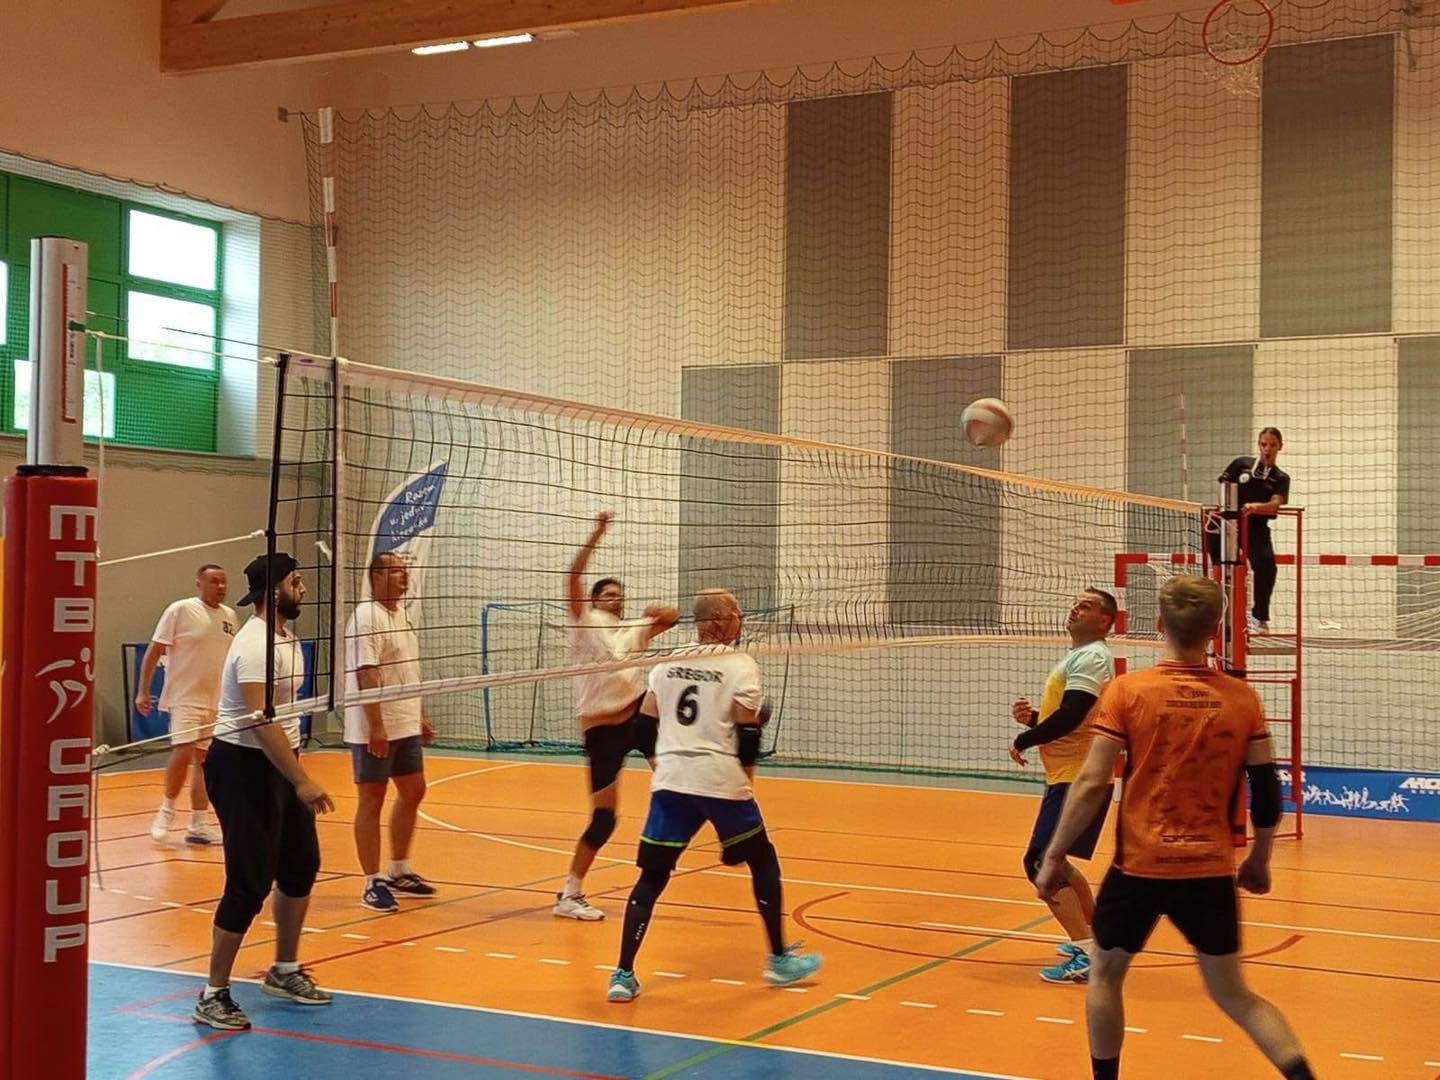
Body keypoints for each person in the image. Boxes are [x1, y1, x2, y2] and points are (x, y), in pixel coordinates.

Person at [1036, 575, 1315, 1080]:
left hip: (1139, 867)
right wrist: (1259, 858)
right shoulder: (1242, 699)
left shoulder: (1129, 691)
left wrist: (1054, 856)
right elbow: (1266, 789)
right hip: (1208, 871)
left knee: (1105, 975)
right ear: (1215, 628)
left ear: (1161, 624)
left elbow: (1094, 781)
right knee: (1234, 994)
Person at [606, 588, 820, 1002]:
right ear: (720, 619)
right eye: (737, 612)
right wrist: (746, 780)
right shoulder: (741, 664)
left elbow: (643, 729)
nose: (742, 618)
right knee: (762, 859)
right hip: (720, 780)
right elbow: (748, 732)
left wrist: (661, 766)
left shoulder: (667, 662)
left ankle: (622, 975)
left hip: (672, 782)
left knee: (652, 877)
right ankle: (779, 961)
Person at [193, 553, 335, 1032]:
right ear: (274, 591)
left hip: (279, 762)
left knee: (300, 866)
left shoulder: (287, 639)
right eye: (297, 582)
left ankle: (284, 970)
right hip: (241, 767)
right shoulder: (256, 645)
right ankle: (213, 993)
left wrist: (294, 771)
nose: (304, 589)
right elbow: (260, 721)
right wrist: (301, 780)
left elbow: (284, 721)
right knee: (249, 881)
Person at [555, 511, 679, 921]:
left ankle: (674, 832)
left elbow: (673, 617)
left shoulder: (631, 629)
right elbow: (573, 575)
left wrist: (660, 610)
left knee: (674, 781)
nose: (616, 599)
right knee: (604, 820)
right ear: (594, 600)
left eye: (619, 594)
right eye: (608, 594)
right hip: (602, 729)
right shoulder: (584, 622)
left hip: (637, 717)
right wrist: (597, 533)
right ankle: (570, 893)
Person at [1009, 588, 1118, 984]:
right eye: (1076, 603)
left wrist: (1026, 738)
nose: (1075, 608)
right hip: (1071, 775)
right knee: (1055, 861)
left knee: (1040, 862)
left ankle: (1086, 952)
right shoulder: (1081, 656)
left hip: (1079, 776)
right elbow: (1075, 717)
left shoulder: (1092, 657)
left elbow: (1072, 716)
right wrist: (1035, 720)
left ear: (1105, 621)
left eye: (1086, 606)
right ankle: (1096, 941)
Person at [344, 551, 436, 912]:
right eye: (397, 572)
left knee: (414, 790)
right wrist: (376, 726)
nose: (405, 577)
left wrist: (419, 715)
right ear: (377, 576)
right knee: (372, 799)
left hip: (404, 722)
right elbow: (366, 673)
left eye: (405, 571)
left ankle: (399, 869)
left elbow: (406, 670)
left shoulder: (401, 615)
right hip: (375, 727)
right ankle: (372, 881)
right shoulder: (367, 617)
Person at [137, 564, 238, 846]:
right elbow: (154, 650)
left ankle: (198, 824)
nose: (220, 586)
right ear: (199, 583)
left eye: (224, 581)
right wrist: (143, 691)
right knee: (182, 751)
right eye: (214, 581)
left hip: (216, 701)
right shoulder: (180, 609)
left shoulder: (230, 616)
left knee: (205, 762)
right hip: (185, 697)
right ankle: (166, 812)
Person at [1207, 427, 1290, 632]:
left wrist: (1256, 506)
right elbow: (1223, 488)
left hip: (1256, 527)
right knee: (1221, 568)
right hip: (1228, 522)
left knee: (1266, 565)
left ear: (1280, 447)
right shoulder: (1241, 464)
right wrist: (1224, 509)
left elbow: (1275, 503)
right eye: (1263, 444)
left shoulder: (1281, 477)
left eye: (1272, 445)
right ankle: (1215, 614)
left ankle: (1259, 617)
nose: (1267, 449)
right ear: (1259, 445)